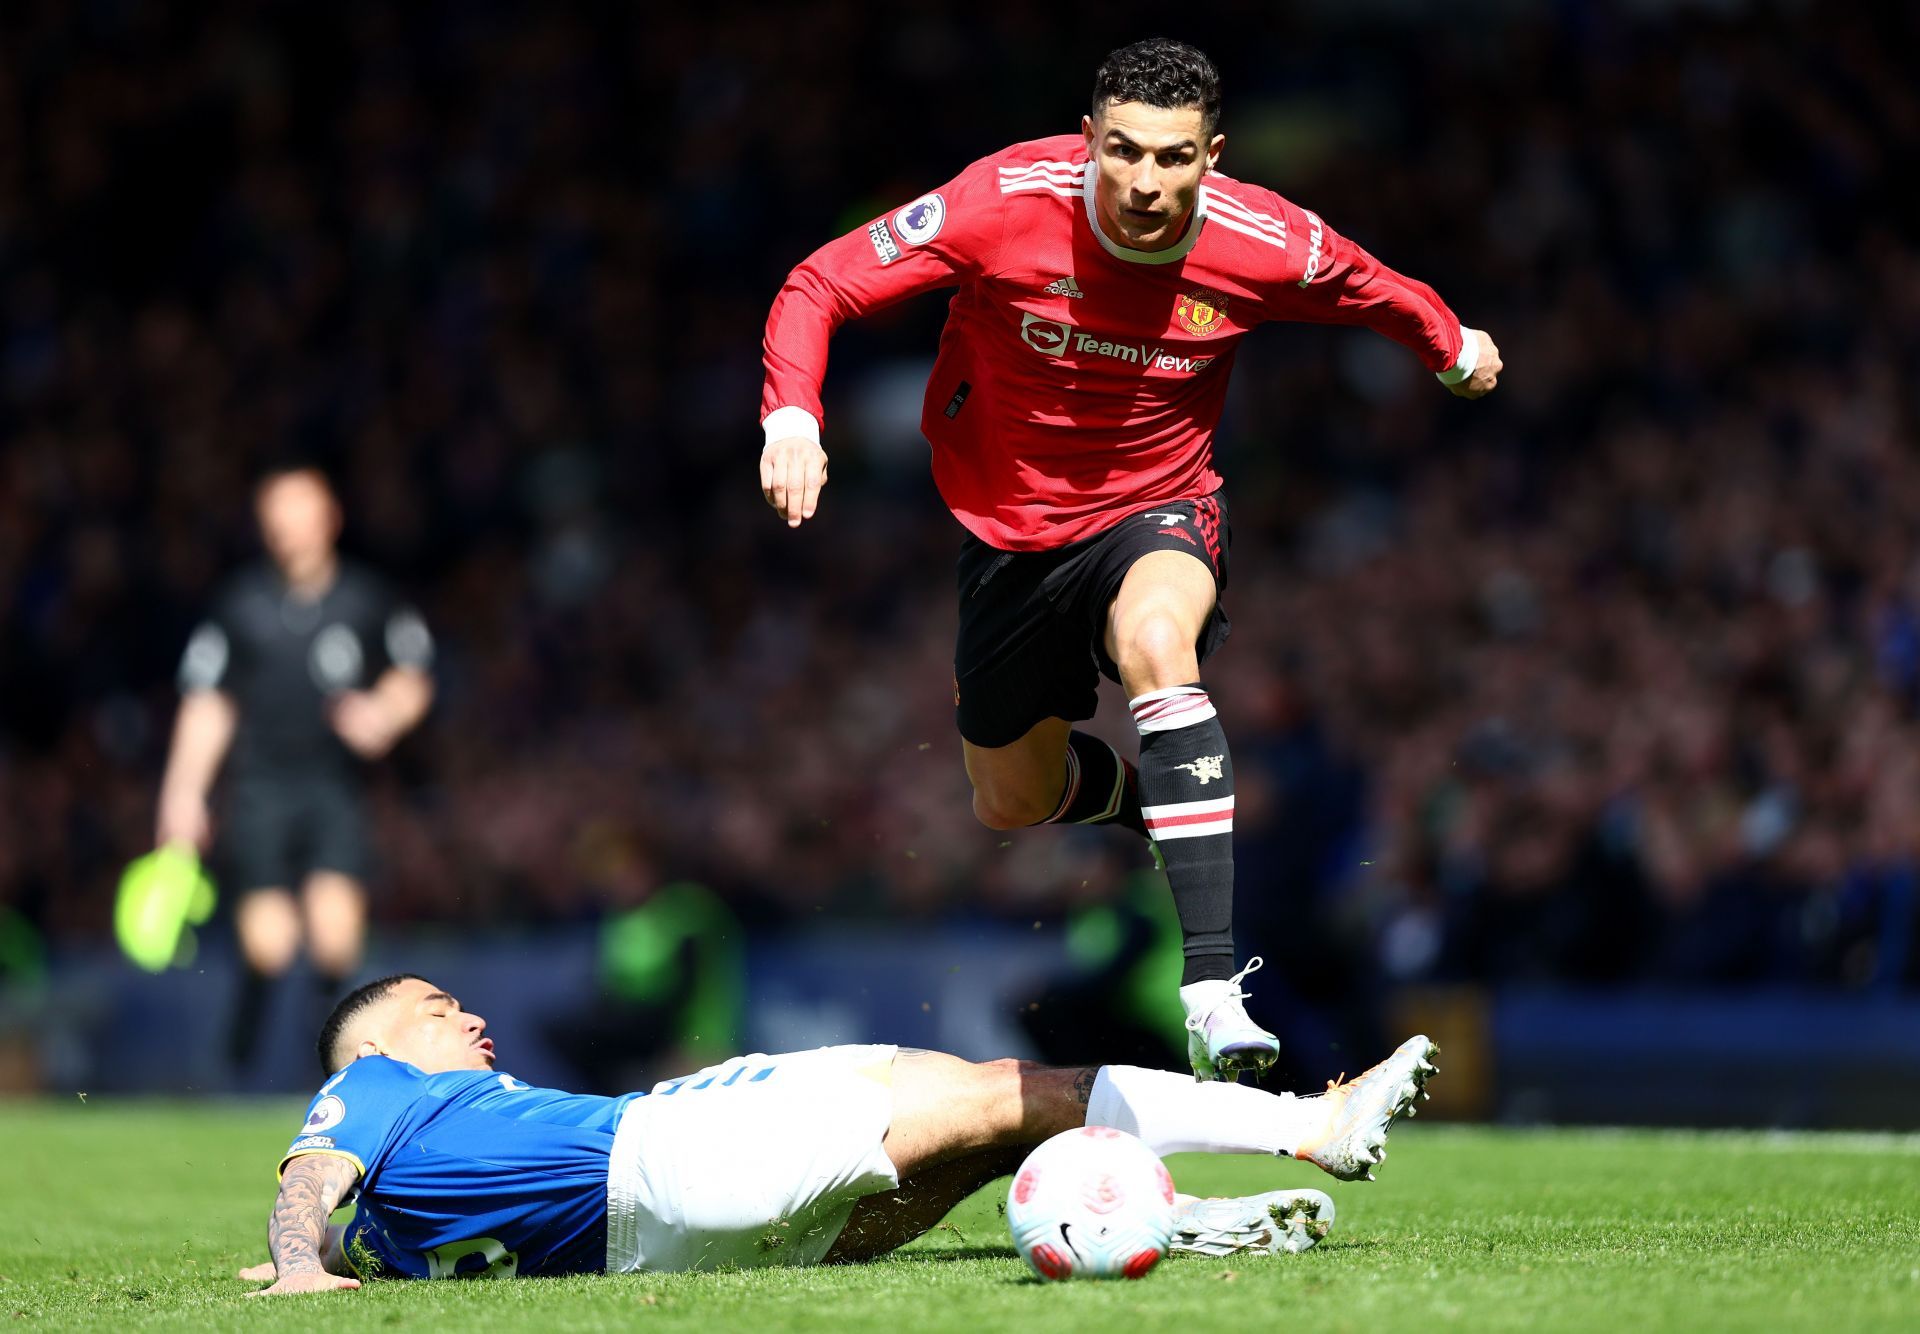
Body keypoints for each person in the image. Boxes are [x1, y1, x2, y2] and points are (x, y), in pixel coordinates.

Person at [757, 39, 1502, 1080]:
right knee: (1009, 800)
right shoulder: (1001, 203)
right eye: (1125, 152)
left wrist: (1451, 345)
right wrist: (792, 413)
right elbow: (819, 281)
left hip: (1159, 506)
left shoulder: (1262, 238)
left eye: (1174, 158)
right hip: (1006, 535)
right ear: (1087, 142)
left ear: (1213, 156)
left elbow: (1373, 286)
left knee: (1161, 643)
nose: (1147, 182)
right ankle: (1145, 798)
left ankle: (1210, 987)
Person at [241, 974, 1437, 1293]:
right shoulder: (380, 1079)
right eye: (448, 1008)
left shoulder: (395, 1219)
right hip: (666, 1153)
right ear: (387, 1039)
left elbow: (354, 1211)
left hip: (674, 1245)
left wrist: (330, 1254)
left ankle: (1165, 1216)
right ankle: (1311, 1121)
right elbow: (310, 1171)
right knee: (1007, 1091)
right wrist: (299, 1259)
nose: (476, 1017)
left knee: (970, 1137)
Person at [155, 465, 435, 1069]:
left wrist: (382, 713)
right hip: (261, 791)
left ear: (329, 518)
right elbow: (208, 704)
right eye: (277, 515)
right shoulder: (241, 605)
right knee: (270, 945)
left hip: (334, 790)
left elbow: (412, 676)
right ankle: (236, 1061)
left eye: (301, 512)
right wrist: (182, 793)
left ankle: (326, 1080)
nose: (289, 528)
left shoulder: (366, 598)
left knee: (336, 940)